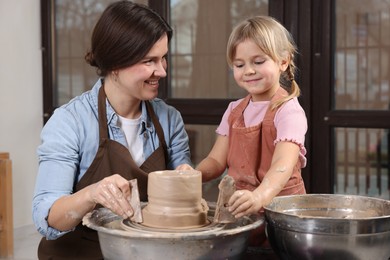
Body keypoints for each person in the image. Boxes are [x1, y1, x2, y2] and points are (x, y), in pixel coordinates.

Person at [32, 1, 192, 259]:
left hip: (145, 251)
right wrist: (93, 193)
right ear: (115, 63)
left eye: (163, 58)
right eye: (149, 60)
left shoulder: (169, 119)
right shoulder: (70, 122)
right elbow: (48, 217)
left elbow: (181, 204)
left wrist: (186, 178)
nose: (162, 71)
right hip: (81, 252)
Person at [196, 16, 307, 246]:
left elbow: (282, 166)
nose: (248, 71)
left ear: (283, 62)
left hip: (282, 216)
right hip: (239, 211)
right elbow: (216, 160)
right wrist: (193, 175)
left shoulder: (289, 111)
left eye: (258, 61)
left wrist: (260, 197)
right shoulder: (234, 110)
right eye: (239, 65)